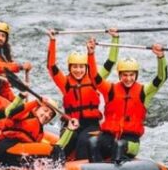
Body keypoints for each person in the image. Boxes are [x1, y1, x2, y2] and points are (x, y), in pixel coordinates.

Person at [46, 28, 120, 159]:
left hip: (91, 124)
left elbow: (110, 62)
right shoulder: (65, 83)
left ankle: (84, 166)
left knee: (83, 141)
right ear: (70, 68)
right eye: (74, 66)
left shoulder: (94, 79)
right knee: (62, 148)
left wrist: (115, 38)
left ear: (86, 67)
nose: (78, 70)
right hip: (71, 123)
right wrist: (52, 41)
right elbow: (51, 66)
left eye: (81, 67)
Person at [90, 44, 167, 164]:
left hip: (131, 142)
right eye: (125, 75)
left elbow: (161, 78)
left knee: (119, 145)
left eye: (131, 75)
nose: (128, 78)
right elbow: (95, 78)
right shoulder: (110, 90)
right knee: (93, 142)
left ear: (136, 75)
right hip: (110, 137)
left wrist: (160, 57)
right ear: (120, 75)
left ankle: (117, 168)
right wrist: (91, 54)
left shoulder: (144, 92)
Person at [0, 97, 79, 166]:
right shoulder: (26, 115)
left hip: (18, 154)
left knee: (54, 151)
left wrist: (69, 129)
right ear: (37, 109)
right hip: (8, 148)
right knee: (53, 151)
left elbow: (58, 146)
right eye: (45, 110)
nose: (47, 115)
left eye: (50, 115)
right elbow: (12, 113)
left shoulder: (40, 133)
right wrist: (35, 102)